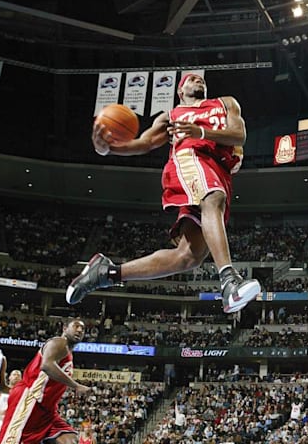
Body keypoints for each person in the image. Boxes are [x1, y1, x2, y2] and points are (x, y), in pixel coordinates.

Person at [67, 73, 261, 314]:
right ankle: (229, 282)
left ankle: (107, 273)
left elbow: (238, 135)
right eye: (190, 80)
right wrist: (109, 148)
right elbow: (145, 143)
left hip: (218, 170)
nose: (197, 81)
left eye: (200, 80)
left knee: (188, 256)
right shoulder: (172, 115)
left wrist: (200, 132)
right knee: (213, 198)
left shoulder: (225, 103)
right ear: (180, 91)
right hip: (190, 160)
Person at [0, 318, 91, 444]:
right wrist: (76, 385)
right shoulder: (59, 342)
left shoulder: (68, 352)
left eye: (82, 329)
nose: (79, 330)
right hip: (31, 401)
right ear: (64, 328)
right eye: (75, 326)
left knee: (70, 440)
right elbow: (46, 365)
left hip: (48, 410)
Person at [0, 370, 23, 436]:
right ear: (9, 377)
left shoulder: (23, 392)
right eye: (14, 374)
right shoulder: (0, 390)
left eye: (18, 375)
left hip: (13, 422)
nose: (16, 376)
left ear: (21, 379)